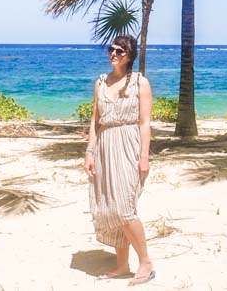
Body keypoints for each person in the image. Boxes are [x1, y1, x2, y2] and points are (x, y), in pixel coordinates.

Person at [84, 34, 155, 285]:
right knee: (111, 207)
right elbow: (95, 121)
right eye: (111, 49)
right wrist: (89, 152)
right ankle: (123, 265)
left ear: (130, 56)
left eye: (119, 51)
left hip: (129, 146)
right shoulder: (101, 82)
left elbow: (145, 123)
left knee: (125, 208)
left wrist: (144, 156)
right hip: (104, 147)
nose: (113, 54)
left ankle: (145, 262)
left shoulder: (140, 83)